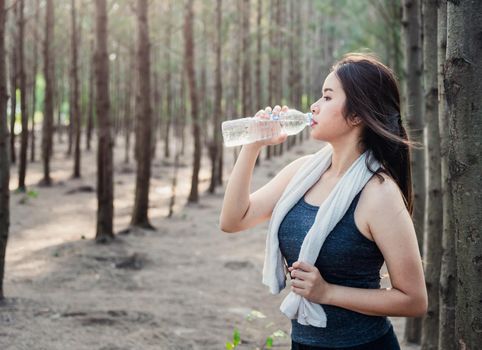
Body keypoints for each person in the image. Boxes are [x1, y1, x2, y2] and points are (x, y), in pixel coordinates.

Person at [219, 52, 428, 349]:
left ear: (356, 115)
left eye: (327, 97)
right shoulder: (302, 172)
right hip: (303, 343)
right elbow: (233, 220)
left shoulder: (378, 194)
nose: (314, 106)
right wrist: (253, 144)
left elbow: (414, 300)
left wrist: (327, 293)